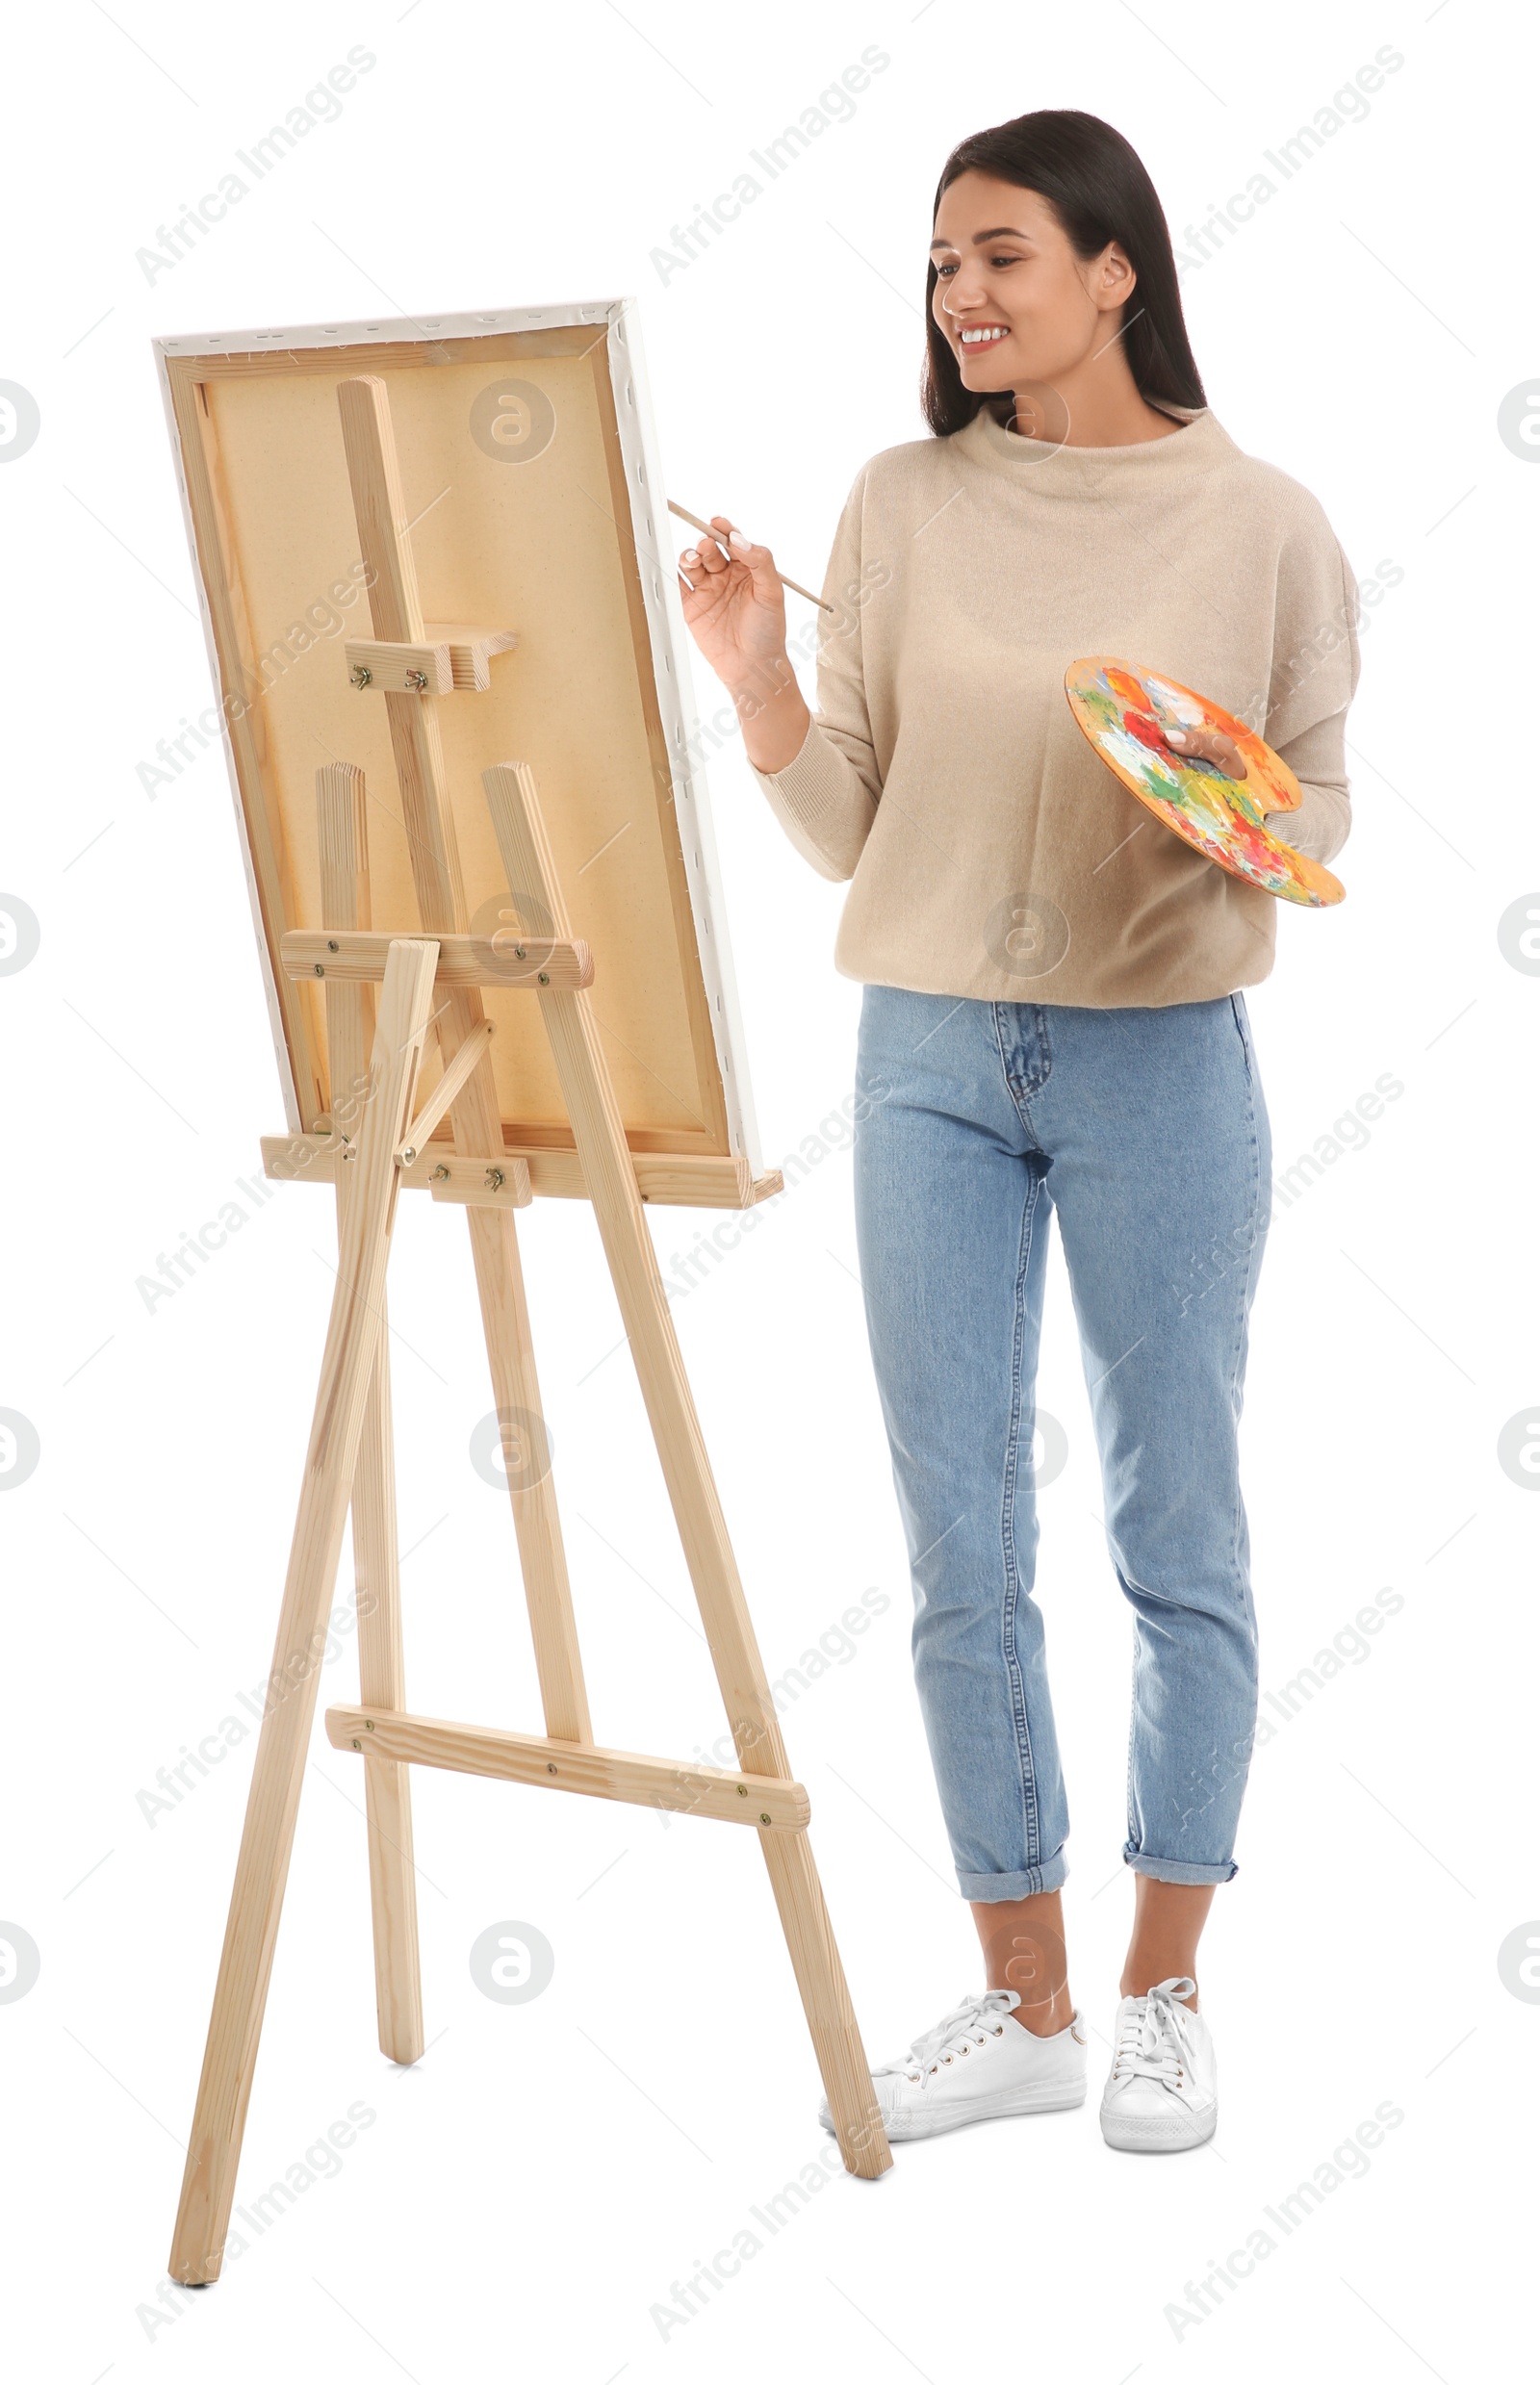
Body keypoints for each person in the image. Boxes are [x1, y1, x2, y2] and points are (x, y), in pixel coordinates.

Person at [676, 108, 1358, 2154]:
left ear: (1111, 269)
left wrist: (1224, 817)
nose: (960, 294)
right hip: (927, 1061)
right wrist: (753, 681)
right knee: (957, 1544)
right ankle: (1025, 1999)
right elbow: (848, 835)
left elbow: (1313, 814)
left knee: (1176, 1529)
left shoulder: (1260, 523)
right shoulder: (894, 501)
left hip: (1160, 1053)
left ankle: (1160, 1987)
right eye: (939, 266)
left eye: (998, 256)